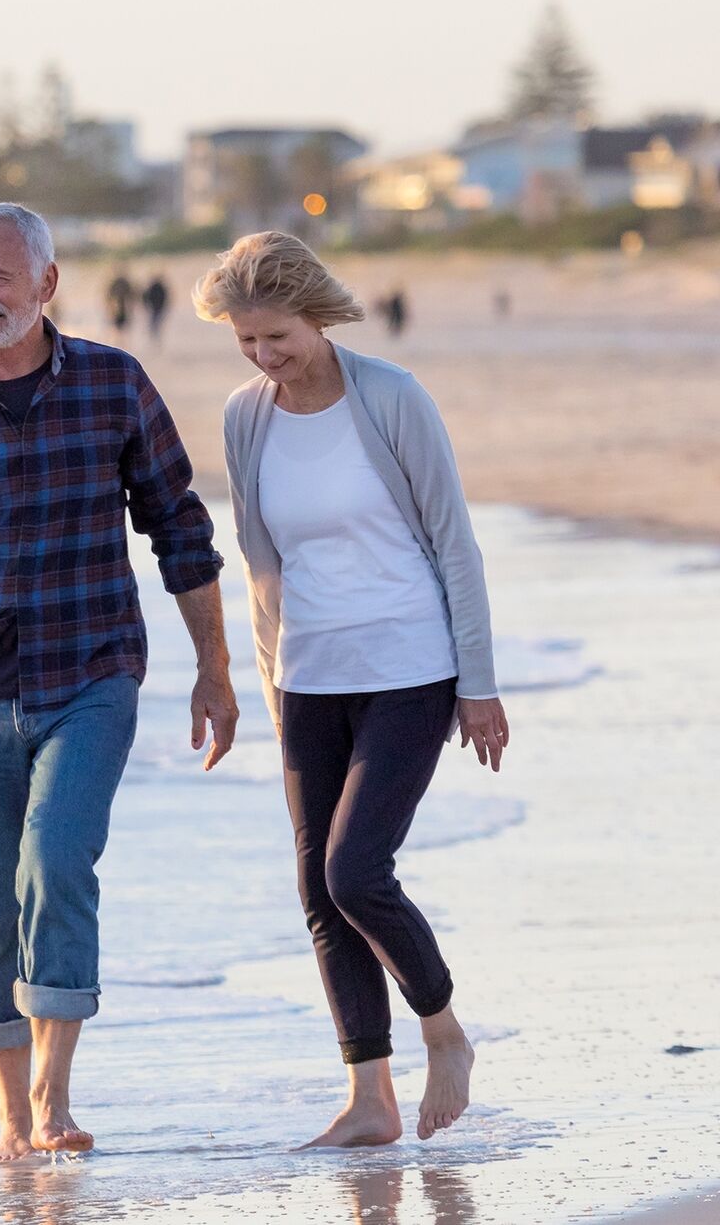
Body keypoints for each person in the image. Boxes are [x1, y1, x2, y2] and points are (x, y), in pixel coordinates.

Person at [0, 203, 238, 1163]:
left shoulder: (115, 386)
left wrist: (215, 668)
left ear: (46, 283)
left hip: (93, 672)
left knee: (56, 861)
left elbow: (181, 529)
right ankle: (8, 1115)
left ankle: (54, 1092)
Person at [195, 231, 510, 1148]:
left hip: (412, 666)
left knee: (355, 872)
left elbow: (453, 540)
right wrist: (266, 680)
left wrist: (479, 685)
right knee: (317, 891)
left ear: (318, 316)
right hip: (310, 676)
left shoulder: (392, 398)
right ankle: (369, 1099)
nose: (264, 357)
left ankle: (444, 1032)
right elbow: (259, 557)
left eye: (278, 337)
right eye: (247, 341)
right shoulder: (245, 416)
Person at [141, 273, 171, 344]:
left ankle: (155, 337)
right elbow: (145, 297)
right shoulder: (157, 287)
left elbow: (145, 297)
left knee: (155, 323)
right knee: (155, 323)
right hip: (156, 308)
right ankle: (154, 337)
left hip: (156, 308)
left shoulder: (157, 287)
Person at [105, 270, 134, 338]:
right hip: (118, 308)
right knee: (119, 327)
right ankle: (119, 340)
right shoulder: (122, 283)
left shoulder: (119, 283)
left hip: (122, 308)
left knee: (121, 327)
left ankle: (120, 340)